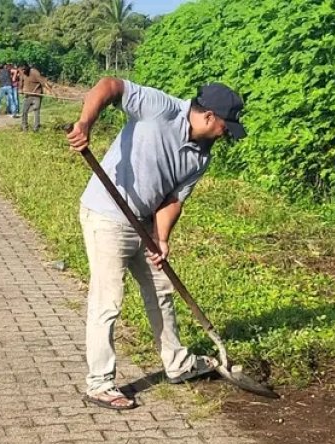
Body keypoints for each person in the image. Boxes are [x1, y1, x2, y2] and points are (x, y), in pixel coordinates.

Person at [66, 78, 247, 410]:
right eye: (225, 125)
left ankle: (177, 363)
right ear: (208, 117)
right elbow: (109, 86)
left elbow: (174, 198)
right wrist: (84, 123)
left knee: (161, 291)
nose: (226, 134)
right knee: (108, 300)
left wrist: (161, 238)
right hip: (107, 214)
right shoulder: (160, 108)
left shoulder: (201, 157)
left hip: (145, 221)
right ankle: (100, 383)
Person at [20, 64, 52, 132]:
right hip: (27, 95)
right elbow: (21, 82)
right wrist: (21, 89)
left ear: (28, 68)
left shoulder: (34, 72)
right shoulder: (23, 73)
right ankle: (24, 127)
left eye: (24, 69)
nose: (23, 71)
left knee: (36, 111)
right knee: (24, 111)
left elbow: (43, 82)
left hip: (36, 95)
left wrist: (50, 91)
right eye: (22, 70)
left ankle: (36, 128)